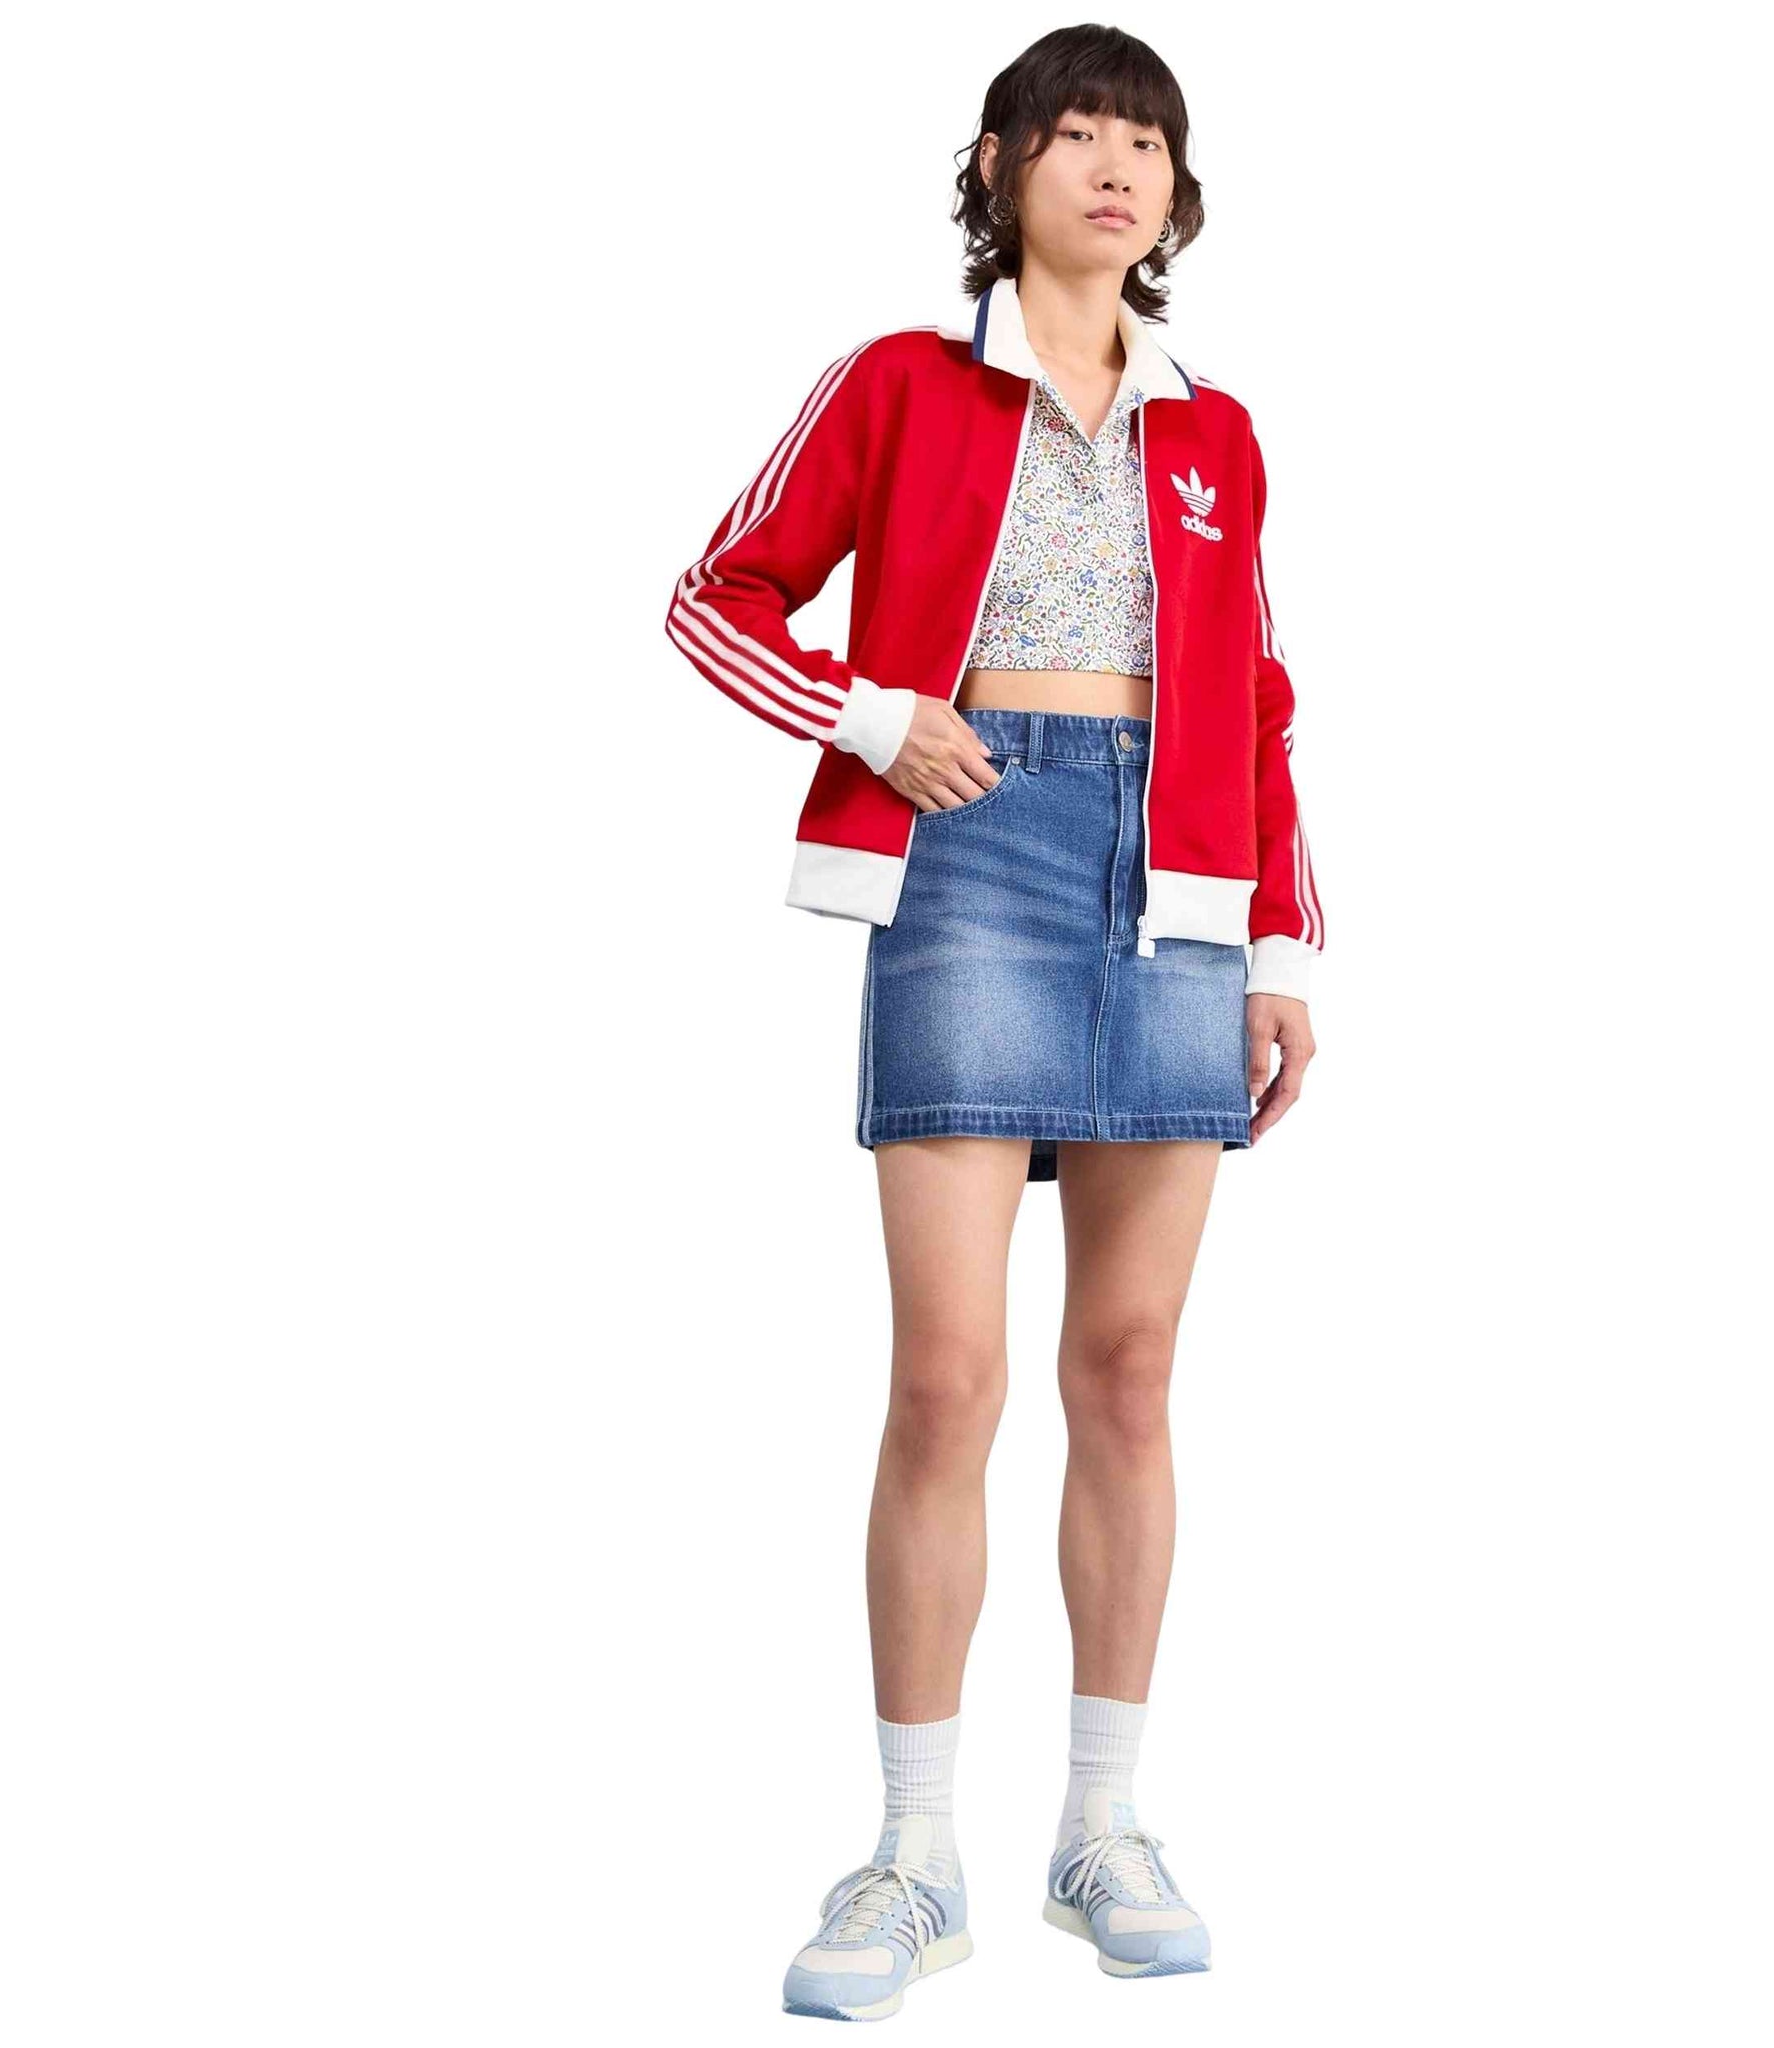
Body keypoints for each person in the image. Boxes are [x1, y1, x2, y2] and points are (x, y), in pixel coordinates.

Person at [665, 26, 1322, 2022]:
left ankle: (1101, 1826)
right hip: (966, 862)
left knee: (1127, 1370)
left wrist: (1284, 950)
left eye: (1149, 141)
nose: (1116, 165)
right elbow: (714, 599)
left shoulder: (1215, 433)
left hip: (1176, 886)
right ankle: (912, 1853)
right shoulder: (896, 382)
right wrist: (870, 717)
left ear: (1176, 190)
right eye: (1079, 132)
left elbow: (1261, 699)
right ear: (1000, 161)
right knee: (947, 1377)